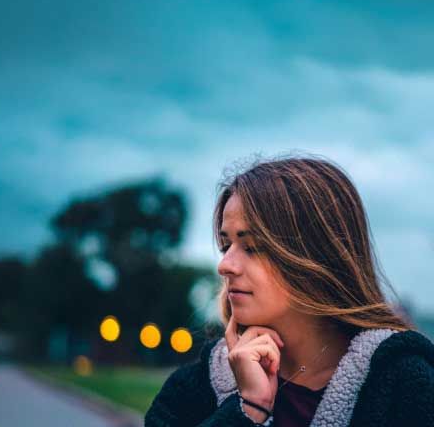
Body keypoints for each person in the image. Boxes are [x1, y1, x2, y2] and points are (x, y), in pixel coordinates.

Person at [145, 156, 434, 426]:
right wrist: (247, 410)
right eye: (225, 246)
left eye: (252, 247)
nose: (225, 265)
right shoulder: (192, 388)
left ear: (318, 255)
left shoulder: (405, 383)